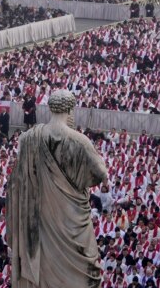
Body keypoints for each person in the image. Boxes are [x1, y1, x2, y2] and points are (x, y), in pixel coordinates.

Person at [8, 89, 108, 288]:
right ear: (71, 110)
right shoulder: (79, 140)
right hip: (71, 220)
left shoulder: (29, 138)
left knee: (43, 262)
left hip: (39, 215)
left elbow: (16, 183)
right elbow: (100, 174)